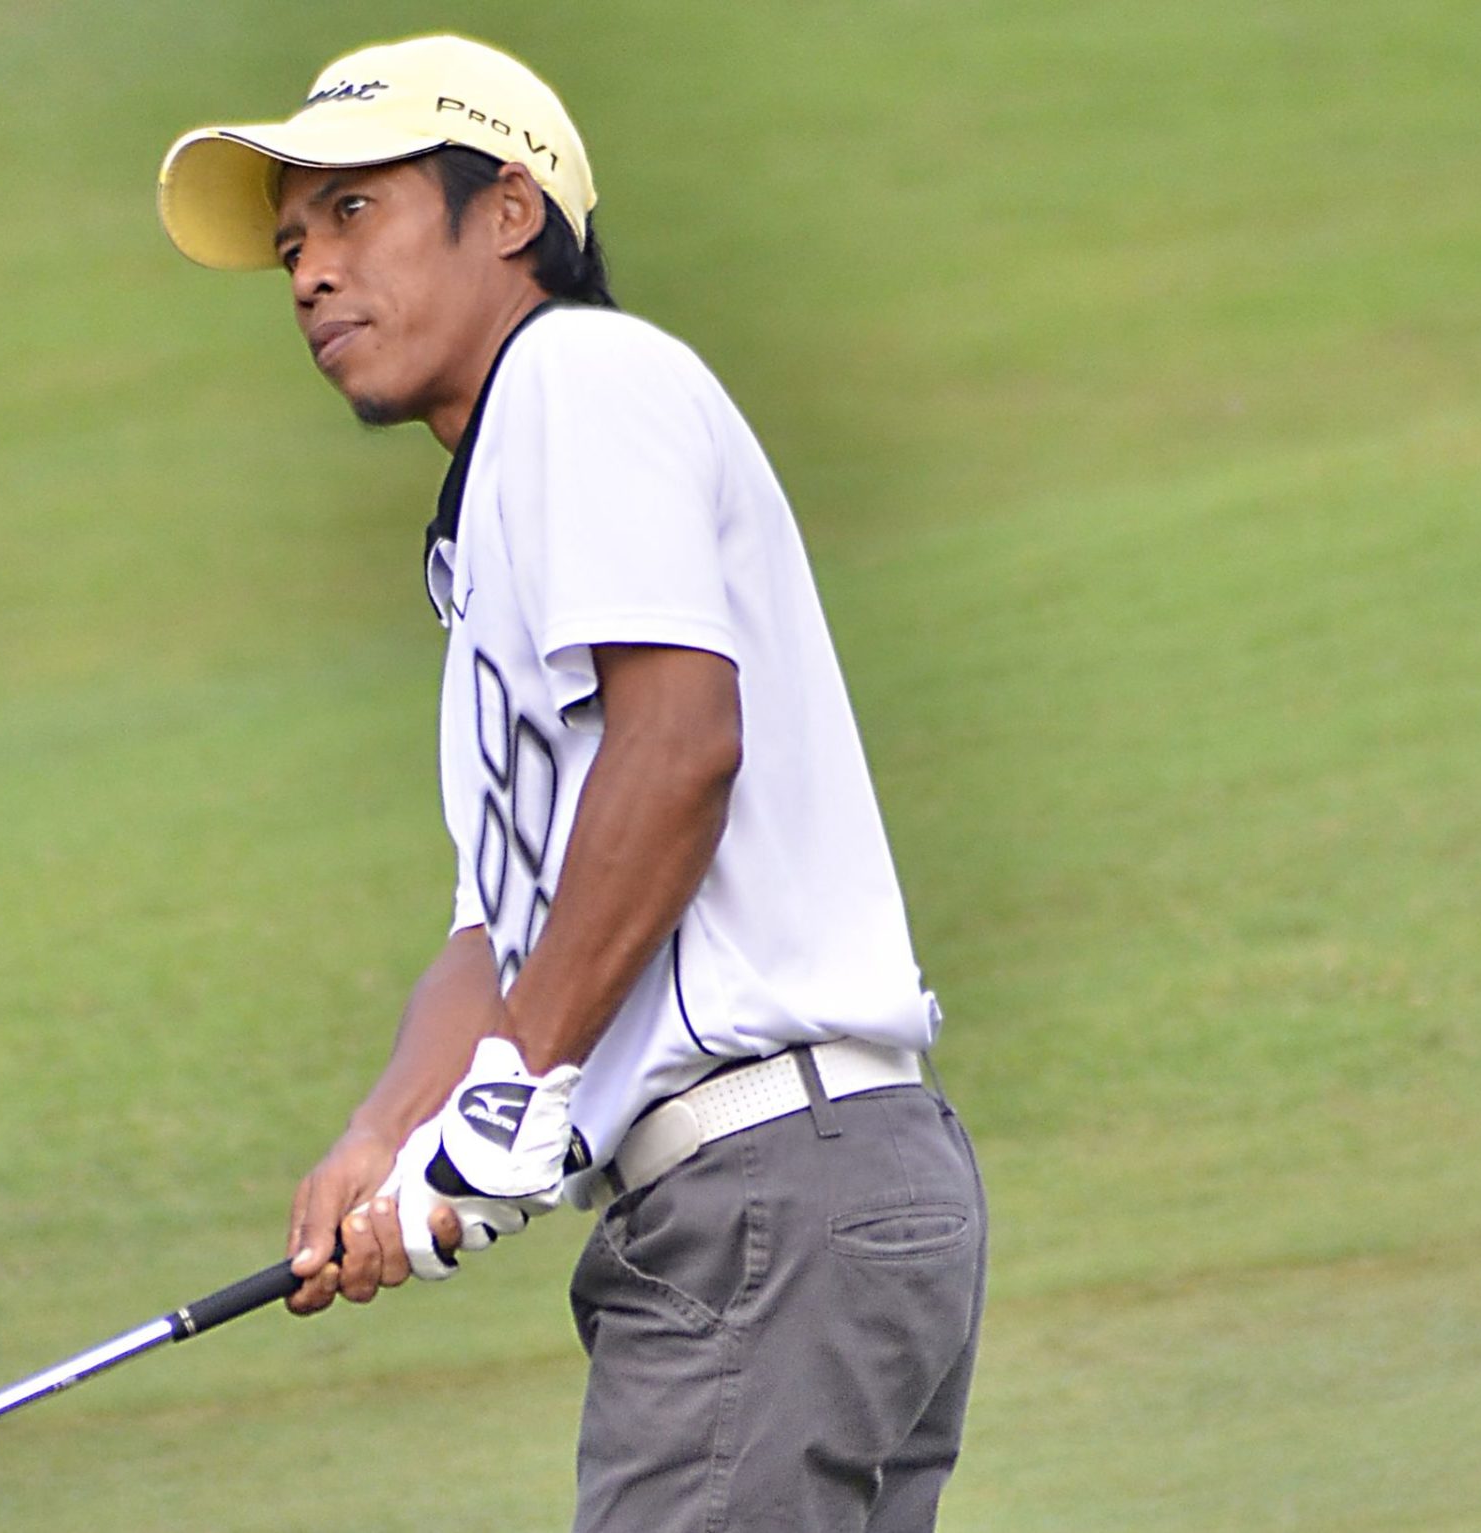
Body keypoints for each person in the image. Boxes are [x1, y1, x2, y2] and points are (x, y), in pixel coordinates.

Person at [157, 34, 988, 1532]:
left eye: (354, 211)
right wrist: (386, 1134)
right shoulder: (494, 518)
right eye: (291, 245)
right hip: (789, 1205)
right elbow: (503, 933)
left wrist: (519, 1083)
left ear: (509, 211)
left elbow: (681, 746)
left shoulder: (578, 377)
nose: (310, 273)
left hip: (768, 1196)